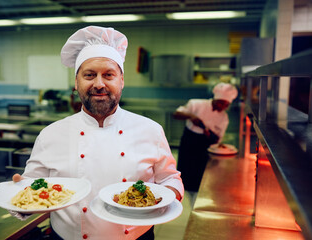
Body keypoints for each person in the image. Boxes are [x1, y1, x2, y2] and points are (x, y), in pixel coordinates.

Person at [11, 26, 184, 240]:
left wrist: (169, 195)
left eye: (108, 75)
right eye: (89, 75)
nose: (99, 84)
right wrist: (20, 198)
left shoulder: (151, 130)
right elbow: (30, 191)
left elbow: (170, 179)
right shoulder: (50, 135)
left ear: (121, 81)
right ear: (76, 83)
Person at [173, 83, 237, 204]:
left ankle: (196, 200)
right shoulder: (196, 103)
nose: (222, 107)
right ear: (215, 98)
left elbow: (217, 140)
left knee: (200, 178)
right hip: (189, 144)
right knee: (184, 175)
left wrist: (210, 135)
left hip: (204, 148)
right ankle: (183, 197)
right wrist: (191, 116)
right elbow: (176, 114)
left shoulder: (224, 118)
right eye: (221, 103)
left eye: (226, 105)